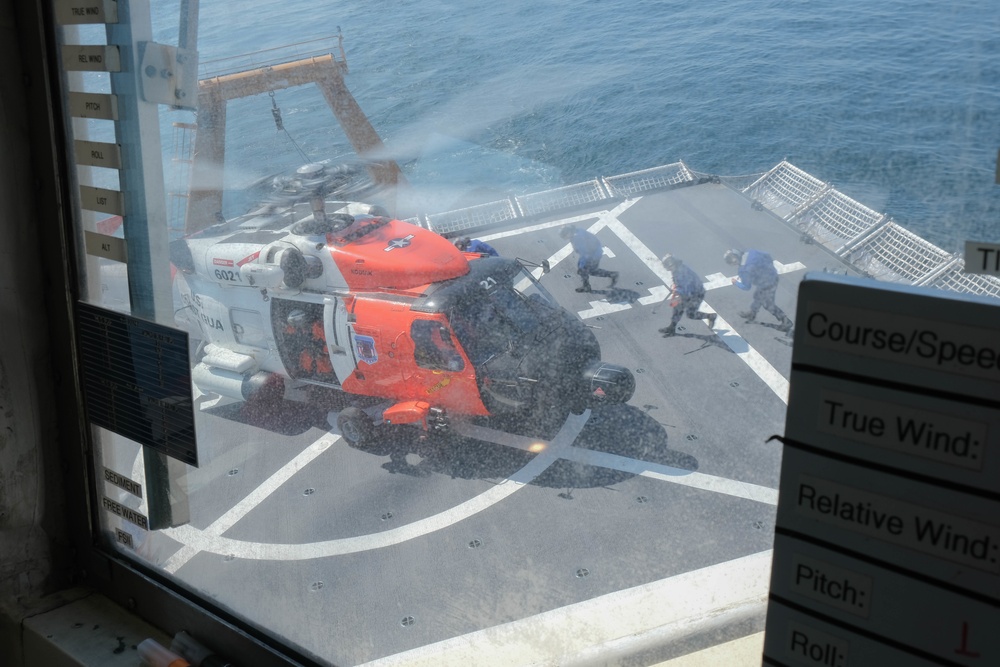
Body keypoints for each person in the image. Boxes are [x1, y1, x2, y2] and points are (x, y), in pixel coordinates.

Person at [724, 248, 793, 332]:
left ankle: (785, 321)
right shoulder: (752, 252)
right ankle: (752, 313)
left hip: (766, 284)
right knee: (757, 295)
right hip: (773, 275)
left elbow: (746, 287)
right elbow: (767, 255)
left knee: (768, 304)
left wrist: (736, 283)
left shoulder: (744, 270)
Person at [659, 254, 716, 337]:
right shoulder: (677, 269)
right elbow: (680, 283)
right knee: (677, 309)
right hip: (688, 293)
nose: (670, 268)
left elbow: (687, 287)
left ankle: (711, 316)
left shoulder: (681, 272)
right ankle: (672, 328)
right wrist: (676, 288)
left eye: (671, 266)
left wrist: (676, 290)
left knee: (691, 314)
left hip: (696, 294)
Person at [559, 225, 618, 292]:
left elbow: (585, 253)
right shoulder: (577, 231)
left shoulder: (577, 238)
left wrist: (581, 266)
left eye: (564, 235)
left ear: (568, 232)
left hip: (593, 256)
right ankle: (586, 285)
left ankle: (611, 275)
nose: (564, 237)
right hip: (594, 251)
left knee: (590, 271)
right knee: (584, 270)